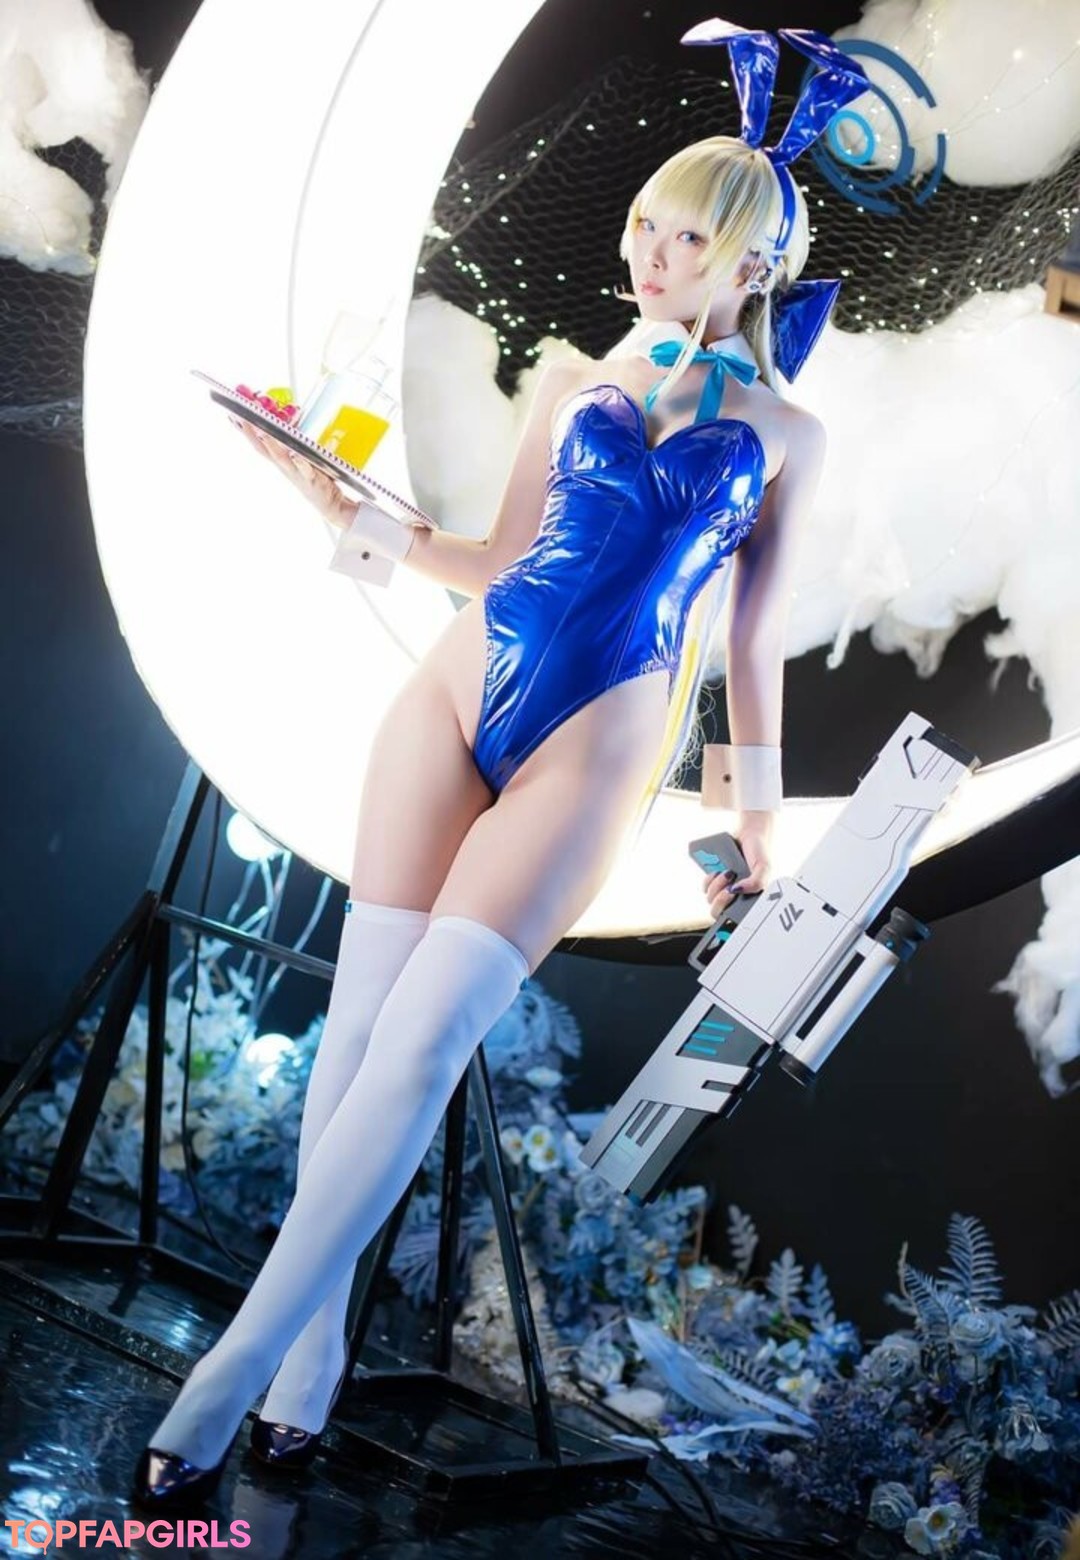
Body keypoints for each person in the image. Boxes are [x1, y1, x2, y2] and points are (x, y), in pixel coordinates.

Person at [133, 22, 867, 1509]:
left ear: (746, 261)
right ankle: (304, 1375)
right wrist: (333, 506)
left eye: (680, 237)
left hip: (592, 746)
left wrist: (751, 830)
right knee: (356, 1036)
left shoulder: (788, 433)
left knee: (417, 1048)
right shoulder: (576, 377)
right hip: (454, 694)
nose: (647, 254)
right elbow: (490, 560)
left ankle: (216, 1388)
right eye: (643, 227)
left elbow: (752, 643)